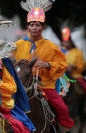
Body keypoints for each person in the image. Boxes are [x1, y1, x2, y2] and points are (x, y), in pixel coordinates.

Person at [14, 0, 74, 132]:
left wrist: (48, 65)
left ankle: (64, 129)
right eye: (32, 24)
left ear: (43, 27)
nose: (34, 27)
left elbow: (62, 64)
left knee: (62, 107)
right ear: (27, 27)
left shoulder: (51, 46)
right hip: (22, 86)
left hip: (45, 85)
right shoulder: (18, 44)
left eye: (37, 25)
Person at [61, 27, 86, 93]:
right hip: (62, 76)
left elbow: (82, 66)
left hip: (75, 76)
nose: (66, 44)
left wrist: (73, 66)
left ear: (71, 43)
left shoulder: (77, 52)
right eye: (64, 42)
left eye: (68, 42)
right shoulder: (60, 52)